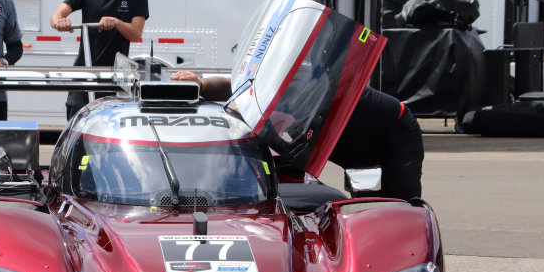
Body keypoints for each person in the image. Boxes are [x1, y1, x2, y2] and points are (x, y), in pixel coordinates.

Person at [170, 71, 424, 200]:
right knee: (365, 207)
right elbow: (236, 87)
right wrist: (201, 84)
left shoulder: (309, 89)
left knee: (398, 205)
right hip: (350, 144)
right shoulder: (276, 83)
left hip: (395, 131)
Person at [50, 0, 149, 119]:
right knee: (77, 128)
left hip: (115, 79)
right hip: (83, 74)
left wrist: (117, 22)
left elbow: (136, 33)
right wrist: (61, 21)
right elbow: (56, 15)